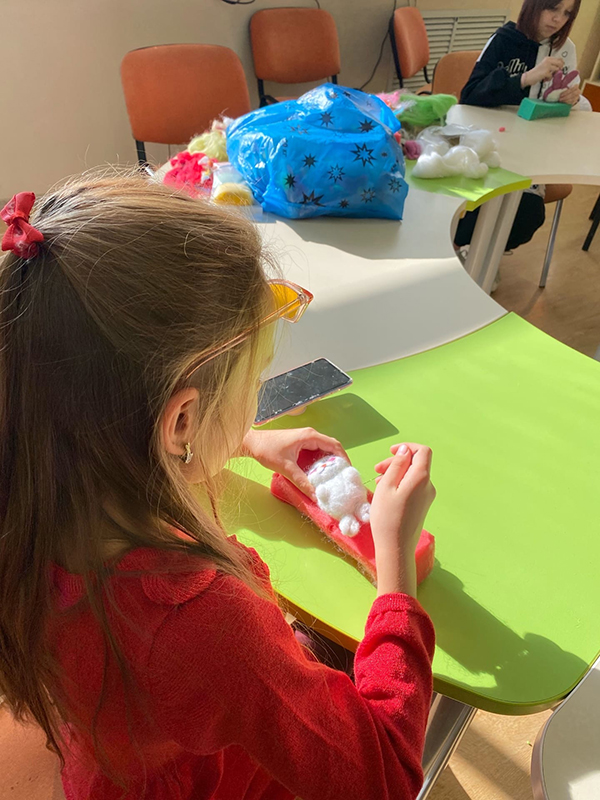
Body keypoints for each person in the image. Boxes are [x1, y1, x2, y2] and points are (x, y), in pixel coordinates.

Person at [0, 176, 436, 800]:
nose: (256, 398)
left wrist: (243, 440)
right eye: (253, 385)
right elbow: (382, 778)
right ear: (180, 420)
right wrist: (395, 569)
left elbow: (99, 433)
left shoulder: (31, 485)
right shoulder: (204, 625)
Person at [455, 0, 583, 258]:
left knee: (528, 214)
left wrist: (573, 98)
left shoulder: (565, 50)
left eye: (567, 13)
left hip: (533, 153)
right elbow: (469, 95)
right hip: (490, 145)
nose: (558, 19)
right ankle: (466, 250)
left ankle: (482, 255)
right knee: (473, 209)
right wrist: (525, 78)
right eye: (552, 8)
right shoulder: (504, 39)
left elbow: (568, 101)